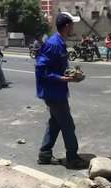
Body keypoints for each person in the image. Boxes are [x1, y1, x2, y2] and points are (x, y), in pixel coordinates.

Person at [36, 12, 88, 169]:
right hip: (53, 92)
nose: (73, 27)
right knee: (68, 125)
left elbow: (57, 67)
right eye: (72, 24)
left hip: (57, 91)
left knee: (55, 123)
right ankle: (72, 158)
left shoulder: (60, 42)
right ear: (67, 26)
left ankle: (44, 154)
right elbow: (41, 69)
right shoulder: (53, 43)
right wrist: (62, 79)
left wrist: (71, 74)